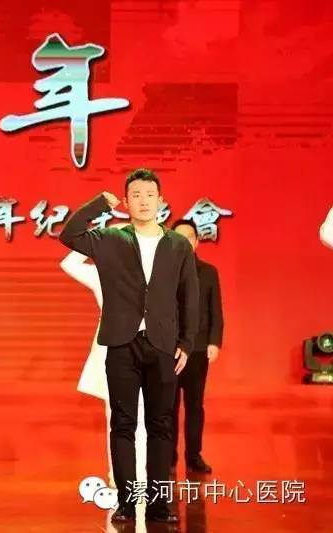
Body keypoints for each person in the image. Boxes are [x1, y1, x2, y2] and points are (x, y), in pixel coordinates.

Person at [59, 168, 198, 524]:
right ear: (126, 201)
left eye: (150, 194)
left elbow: (189, 296)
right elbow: (69, 235)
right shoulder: (111, 238)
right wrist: (97, 205)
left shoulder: (177, 245)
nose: (143, 201)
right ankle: (125, 501)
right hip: (121, 344)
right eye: (136, 195)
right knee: (123, 425)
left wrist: (186, 342)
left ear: (161, 201)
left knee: (160, 426)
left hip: (162, 345)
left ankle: (158, 504)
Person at [60, 248, 147, 488]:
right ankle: (119, 476)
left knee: (144, 418)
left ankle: (141, 477)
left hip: (147, 351)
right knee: (117, 419)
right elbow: (69, 264)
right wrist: (96, 241)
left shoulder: (155, 272)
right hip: (113, 352)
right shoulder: (103, 274)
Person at [171, 220, 223, 474]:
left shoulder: (208, 272)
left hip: (198, 349)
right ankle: (167, 457)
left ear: (196, 241)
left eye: (189, 237)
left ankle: (194, 456)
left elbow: (216, 310)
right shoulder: (160, 270)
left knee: (194, 405)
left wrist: (215, 341)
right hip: (168, 350)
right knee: (167, 406)